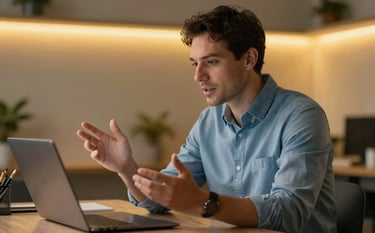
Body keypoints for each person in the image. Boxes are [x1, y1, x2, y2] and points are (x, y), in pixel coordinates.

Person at [77, 5, 336, 233]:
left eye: (211, 61)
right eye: (195, 63)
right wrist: (127, 169)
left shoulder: (301, 115)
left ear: (249, 59)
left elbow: (289, 213)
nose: (198, 76)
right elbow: (161, 198)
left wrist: (199, 201)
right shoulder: (208, 121)